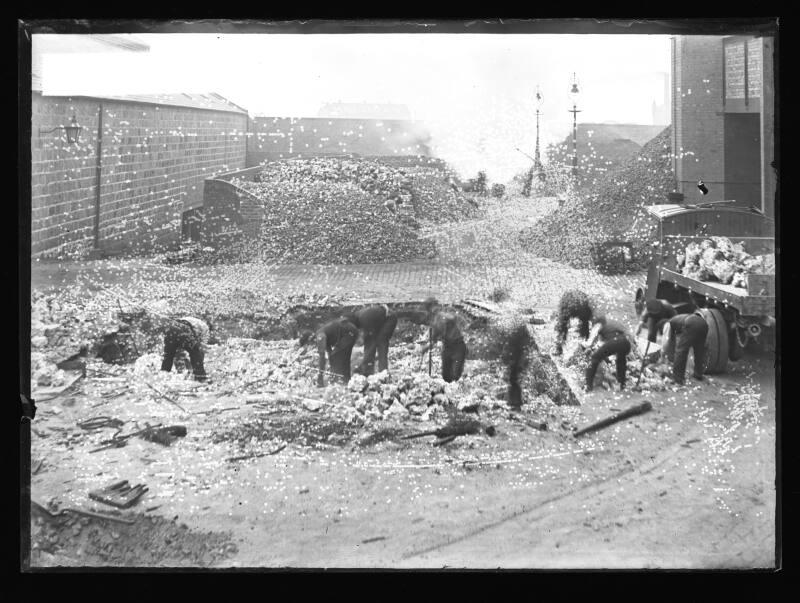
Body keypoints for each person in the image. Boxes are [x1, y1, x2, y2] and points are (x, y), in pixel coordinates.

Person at [418, 297, 468, 383]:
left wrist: (442, 317)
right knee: (446, 376)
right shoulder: (435, 321)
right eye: (429, 309)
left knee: (455, 376)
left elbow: (454, 318)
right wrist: (425, 348)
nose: (432, 310)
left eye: (433, 307)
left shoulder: (445, 314)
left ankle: (455, 391)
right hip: (447, 348)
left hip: (458, 347)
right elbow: (433, 340)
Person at [302, 317, 360, 387]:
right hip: (350, 331)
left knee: (337, 357)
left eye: (308, 344)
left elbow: (322, 358)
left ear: (309, 340)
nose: (310, 346)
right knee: (342, 359)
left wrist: (320, 377)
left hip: (348, 332)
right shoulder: (322, 333)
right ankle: (345, 381)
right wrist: (331, 370)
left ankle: (339, 382)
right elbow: (330, 353)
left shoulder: (320, 336)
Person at [347, 304, 398, 376]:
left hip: (389, 318)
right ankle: (368, 369)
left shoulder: (364, 319)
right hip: (381, 321)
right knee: (372, 343)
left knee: (381, 342)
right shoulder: (359, 316)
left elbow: (370, 344)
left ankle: (381, 372)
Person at [585, 315, 632, 391]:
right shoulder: (612, 325)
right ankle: (622, 385)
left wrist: (587, 347)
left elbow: (590, 341)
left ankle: (588, 386)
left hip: (617, 342)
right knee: (620, 361)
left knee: (594, 358)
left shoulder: (598, 324)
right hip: (626, 343)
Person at [664, 310, 709, 384]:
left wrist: (670, 356)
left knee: (681, 351)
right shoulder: (681, 317)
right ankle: (698, 374)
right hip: (704, 324)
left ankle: (678, 378)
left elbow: (669, 341)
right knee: (699, 351)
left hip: (690, 323)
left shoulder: (669, 323)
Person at [161, 316, 210, 382]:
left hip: (170, 328)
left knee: (168, 356)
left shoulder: (189, 319)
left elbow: (180, 352)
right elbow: (200, 350)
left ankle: (163, 377)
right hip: (184, 328)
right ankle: (201, 379)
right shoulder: (205, 327)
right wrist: (198, 366)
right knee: (195, 353)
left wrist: (187, 366)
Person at [553, 289, 595, 356]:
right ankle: (585, 347)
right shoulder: (583, 306)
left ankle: (558, 348)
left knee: (562, 326)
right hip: (574, 304)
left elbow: (561, 326)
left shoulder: (568, 304)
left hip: (572, 304)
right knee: (584, 326)